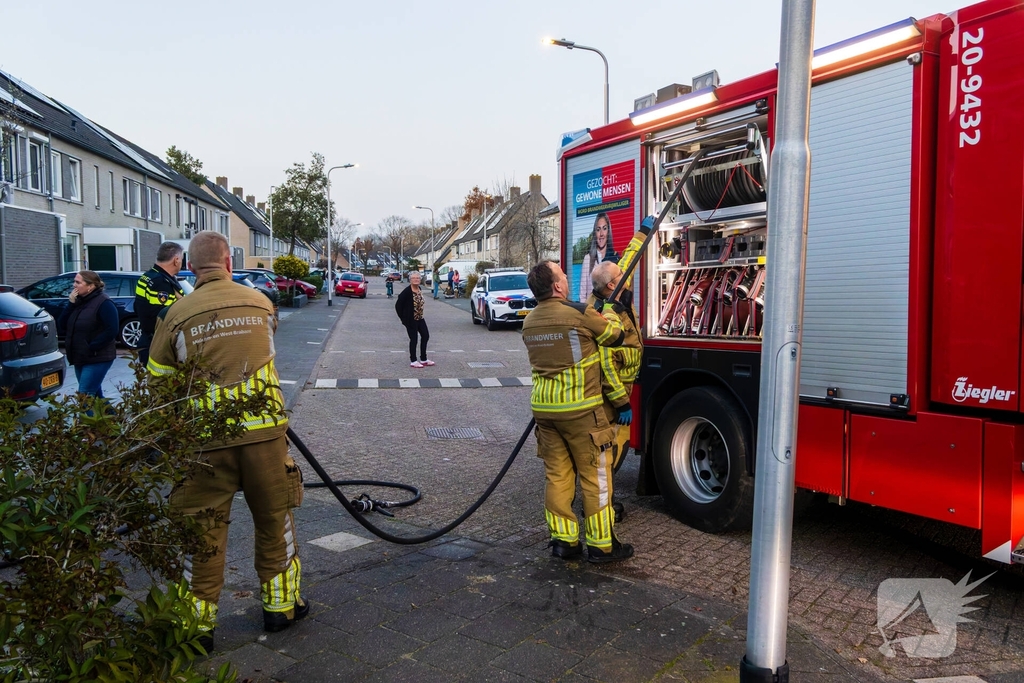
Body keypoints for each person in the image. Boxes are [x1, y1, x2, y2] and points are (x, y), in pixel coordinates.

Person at [146, 231, 305, 652]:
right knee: (275, 521)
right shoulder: (261, 303)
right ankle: (281, 608)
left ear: (191, 268)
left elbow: (158, 385)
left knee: (202, 535)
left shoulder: (177, 313)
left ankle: (197, 628)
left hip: (204, 444)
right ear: (229, 263)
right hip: (267, 440)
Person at [522, 260, 634, 564]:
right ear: (557, 286)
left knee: (557, 476)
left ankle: (564, 542)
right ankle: (602, 546)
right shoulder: (578, 313)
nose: (567, 278)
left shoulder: (529, 321)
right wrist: (609, 310)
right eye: (562, 274)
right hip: (582, 411)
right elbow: (615, 337)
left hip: (545, 411)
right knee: (595, 477)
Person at [587, 215, 654, 523]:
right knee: (610, 455)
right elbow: (605, 364)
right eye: (621, 276)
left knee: (613, 454)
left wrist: (643, 233)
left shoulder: (611, 289)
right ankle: (603, 506)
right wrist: (622, 401)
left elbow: (627, 260)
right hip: (612, 400)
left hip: (618, 395)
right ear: (612, 285)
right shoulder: (606, 315)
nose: (627, 275)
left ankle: (602, 499)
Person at [60, 270, 119, 399]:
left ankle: (88, 419)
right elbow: (62, 325)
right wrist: (70, 304)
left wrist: (92, 347)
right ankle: (113, 417)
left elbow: (112, 329)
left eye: (78, 282)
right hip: (79, 356)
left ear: (90, 286)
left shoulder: (104, 303)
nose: (74, 285)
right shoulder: (79, 302)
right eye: (74, 281)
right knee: (96, 396)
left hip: (97, 357)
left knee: (85, 395)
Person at [134, 241, 185, 366]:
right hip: (158, 345)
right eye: (182, 259)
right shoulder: (161, 283)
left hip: (147, 339)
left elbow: (138, 307)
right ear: (176, 260)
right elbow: (163, 317)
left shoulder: (147, 276)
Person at [578, 212, 621, 303]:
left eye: (604, 229)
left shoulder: (615, 258)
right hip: (591, 313)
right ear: (595, 233)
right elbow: (582, 295)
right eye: (598, 229)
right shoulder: (588, 259)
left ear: (608, 231)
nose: (601, 234)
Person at [395, 271, 434, 368]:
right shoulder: (407, 292)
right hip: (411, 320)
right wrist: (403, 319)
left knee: (425, 336)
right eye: (414, 278)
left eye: (418, 278)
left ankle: (424, 359)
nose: (416, 279)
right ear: (410, 280)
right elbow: (398, 306)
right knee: (414, 339)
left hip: (420, 318)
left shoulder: (419, 289)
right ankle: (413, 360)